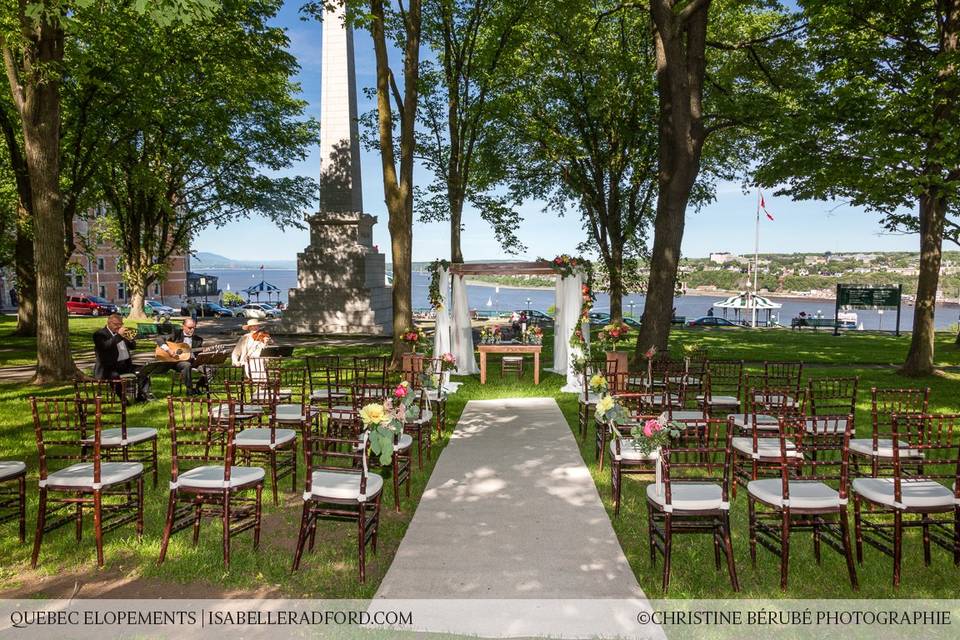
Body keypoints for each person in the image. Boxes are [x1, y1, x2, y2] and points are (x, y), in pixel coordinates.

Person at [93, 313, 151, 401]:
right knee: (115, 376)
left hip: (125, 365)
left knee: (144, 370)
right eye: (116, 324)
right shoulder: (99, 334)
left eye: (121, 324)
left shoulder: (122, 334)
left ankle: (142, 396)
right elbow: (105, 346)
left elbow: (133, 347)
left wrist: (130, 338)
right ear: (109, 323)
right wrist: (119, 336)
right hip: (108, 368)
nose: (119, 326)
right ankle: (124, 400)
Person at [156, 317, 205, 395]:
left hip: (193, 361)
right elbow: (159, 339)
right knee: (186, 365)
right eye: (189, 328)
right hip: (176, 362)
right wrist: (168, 350)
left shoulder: (198, 339)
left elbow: (199, 354)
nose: (192, 330)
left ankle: (197, 387)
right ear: (183, 327)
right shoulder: (176, 334)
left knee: (210, 369)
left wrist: (205, 353)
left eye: (194, 328)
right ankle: (189, 390)